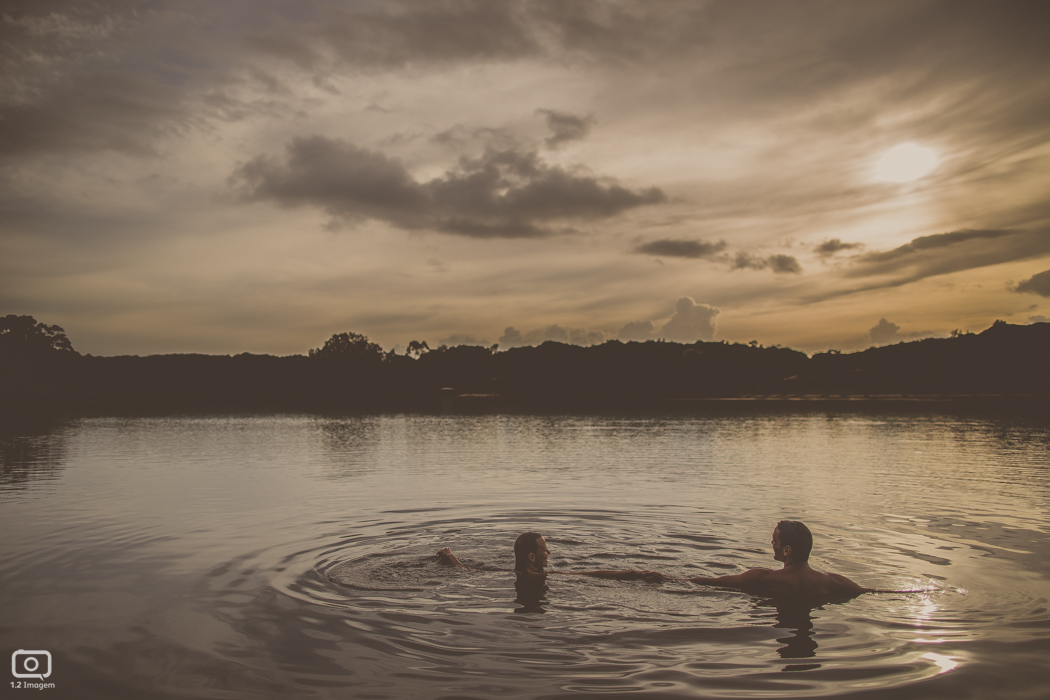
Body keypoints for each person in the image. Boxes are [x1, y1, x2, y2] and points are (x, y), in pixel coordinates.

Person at [682, 520, 873, 598]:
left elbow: (714, 582)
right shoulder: (833, 581)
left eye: (775, 540)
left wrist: (668, 579)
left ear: (787, 550)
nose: (771, 543)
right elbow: (871, 591)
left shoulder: (763, 578)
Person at [437, 531, 664, 582]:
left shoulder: (504, 575)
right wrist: (634, 574)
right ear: (532, 558)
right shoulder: (546, 576)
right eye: (544, 549)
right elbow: (591, 574)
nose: (549, 552)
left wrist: (451, 556)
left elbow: (469, 571)